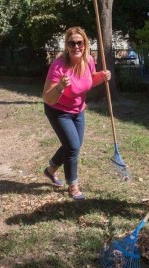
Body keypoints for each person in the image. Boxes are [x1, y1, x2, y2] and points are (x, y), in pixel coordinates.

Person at [42, 26, 111, 200]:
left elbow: (87, 81)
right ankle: (73, 185)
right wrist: (60, 87)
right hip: (58, 111)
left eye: (80, 43)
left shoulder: (88, 60)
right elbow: (47, 97)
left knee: (72, 145)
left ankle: (50, 171)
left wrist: (101, 77)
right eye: (72, 43)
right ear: (66, 45)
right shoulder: (58, 66)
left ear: (85, 44)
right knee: (72, 146)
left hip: (78, 110)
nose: (76, 46)